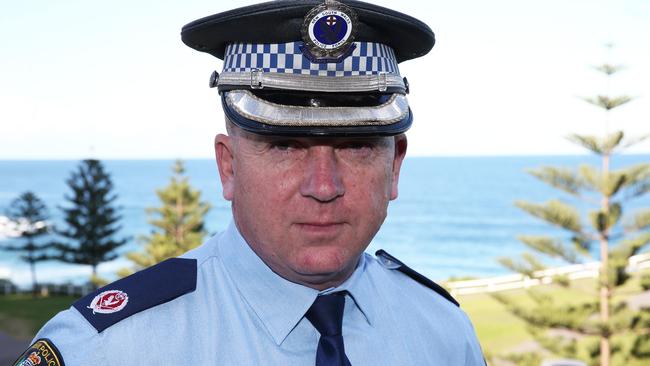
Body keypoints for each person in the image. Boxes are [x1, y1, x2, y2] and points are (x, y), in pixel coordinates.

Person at [13, 1, 485, 365]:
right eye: (284, 147)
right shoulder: (111, 349)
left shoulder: (443, 333)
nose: (324, 186)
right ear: (229, 166)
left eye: (356, 146)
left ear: (395, 166)